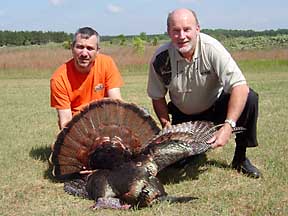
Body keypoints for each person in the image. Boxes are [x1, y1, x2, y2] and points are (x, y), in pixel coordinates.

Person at [147, 8, 261, 178]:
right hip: (184, 117)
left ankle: (240, 158)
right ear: (168, 32)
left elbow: (240, 86)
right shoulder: (160, 58)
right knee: (175, 164)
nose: (182, 36)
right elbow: (157, 96)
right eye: (176, 31)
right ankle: (193, 152)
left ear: (197, 29)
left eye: (187, 29)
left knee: (250, 97)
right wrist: (166, 125)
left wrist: (228, 126)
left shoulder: (212, 48)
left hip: (216, 109)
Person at [50, 27, 123, 129]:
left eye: (90, 48)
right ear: (72, 48)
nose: (84, 54)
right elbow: (65, 121)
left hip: (106, 122)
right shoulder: (59, 78)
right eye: (80, 47)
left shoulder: (107, 63)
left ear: (97, 51)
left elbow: (116, 104)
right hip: (79, 128)